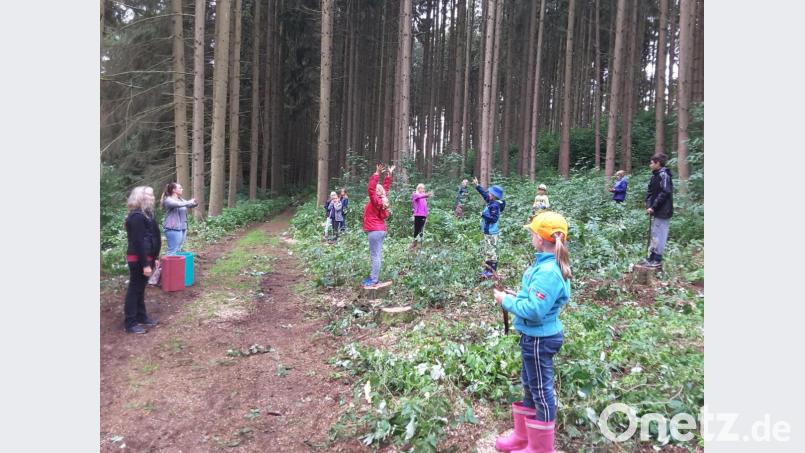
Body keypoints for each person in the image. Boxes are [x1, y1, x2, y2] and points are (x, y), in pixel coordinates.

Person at [492, 211, 572, 453]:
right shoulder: (545, 265)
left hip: (540, 339)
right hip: (534, 337)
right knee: (530, 384)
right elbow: (536, 300)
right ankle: (523, 437)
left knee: (541, 391)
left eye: (532, 233)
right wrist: (516, 296)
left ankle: (540, 448)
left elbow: (535, 311)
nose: (531, 237)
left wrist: (506, 301)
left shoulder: (548, 272)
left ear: (539, 238)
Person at [124, 186, 162, 334]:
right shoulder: (137, 217)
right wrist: (145, 264)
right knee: (134, 289)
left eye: (152, 195)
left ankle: (141, 316)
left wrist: (155, 257)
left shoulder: (147, 215)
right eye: (149, 195)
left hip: (148, 257)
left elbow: (153, 237)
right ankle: (130, 323)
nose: (153, 197)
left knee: (140, 288)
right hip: (138, 259)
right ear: (140, 197)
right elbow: (138, 242)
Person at [362, 164, 394, 287]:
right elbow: (385, 188)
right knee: (377, 255)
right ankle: (373, 277)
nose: (374, 190)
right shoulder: (382, 199)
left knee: (375, 256)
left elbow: (370, 189)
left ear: (376, 191)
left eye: (376, 189)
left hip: (375, 231)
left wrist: (376, 173)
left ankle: (374, 279)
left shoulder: (375, 200)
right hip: (380, 230)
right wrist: (389, 175)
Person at [644, 153, 674, 267]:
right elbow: (650, 192)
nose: (650, 165)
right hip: (656, 210)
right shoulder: (655, 176)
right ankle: (651, 257)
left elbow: (665, 192)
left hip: (663, 211)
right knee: (655, 234)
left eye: (652, 163)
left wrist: (653, 206)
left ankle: (657, 259)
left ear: (658, 163)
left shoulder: (664, 175)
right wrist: (649, 206)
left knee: (660, 234)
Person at [473, 177, 506, 278]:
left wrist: (483, 214)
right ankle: (487, 270)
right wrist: (477, 185)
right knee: (488, 250)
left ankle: (492, 271)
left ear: (495, 196)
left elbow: (494, 219)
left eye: (491, 193)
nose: (489, 194)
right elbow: (484, 195)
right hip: (488, 231)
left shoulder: (495, 205)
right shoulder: (492, 201)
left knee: (491, 251)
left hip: (491, 232)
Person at [161, 182, 198, 255]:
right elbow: (178, 204)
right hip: (172, 228)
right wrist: (189, 201)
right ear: (174, 190)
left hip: (182, 228)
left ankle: (175, 263)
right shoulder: (168, 200)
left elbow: (189, 205)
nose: (182, 189)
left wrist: (194, 203)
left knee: (178, 249)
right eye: (180, 188)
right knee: (172, 250)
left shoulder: (181, 199)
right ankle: (167, 262)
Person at [411, 183, 434, 250]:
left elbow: (425, 206)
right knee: (416, 229)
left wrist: (427, 214)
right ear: (418, 188)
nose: (423, 189)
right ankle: (414, 243)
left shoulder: (424, 197)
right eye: (421, 188)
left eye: (423, 188)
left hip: (423, 215)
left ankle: (420, 244)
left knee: (421, 229)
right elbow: (419, 196)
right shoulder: (415, 194)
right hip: (418, 215)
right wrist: (426, 195)